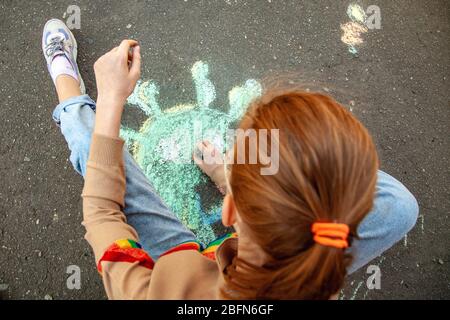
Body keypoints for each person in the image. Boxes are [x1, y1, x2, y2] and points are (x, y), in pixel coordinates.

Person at [43, 19, 418, 299]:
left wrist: (110, 98)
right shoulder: (318, 281)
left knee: (93, 144)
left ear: (230, 211)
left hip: (181, 260)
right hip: (290, 259)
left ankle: (66, 81)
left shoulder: (162, 294)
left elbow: (102, 212)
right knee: (398, 205)